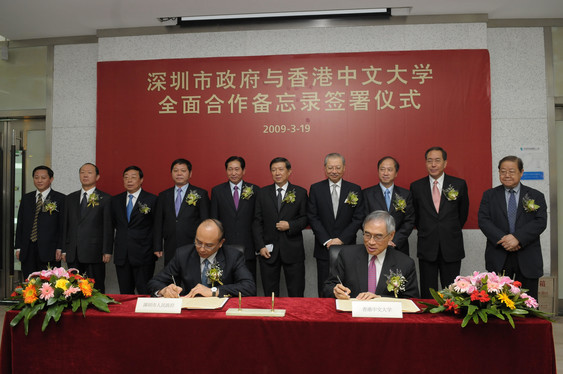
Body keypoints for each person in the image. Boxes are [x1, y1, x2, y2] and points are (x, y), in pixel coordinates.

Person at [478, 156, 547, 299]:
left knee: (528, 303)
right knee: (498, 303)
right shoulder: (489, 195)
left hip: (527, 255)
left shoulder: (535, 195)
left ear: (521, 172)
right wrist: (505, 239)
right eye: (503, 171)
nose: (507, 175)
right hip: (499, 255)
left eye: (511, 171)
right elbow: (483, 220)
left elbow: (540, 222)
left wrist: (517, 238)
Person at [410, 146, 469, 298]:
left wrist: (448, 230)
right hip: (427, 245)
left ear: (445, 163)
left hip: (451, 246)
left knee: (453, 293)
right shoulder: (416, 186)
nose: (433, 164)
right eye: (429, 161)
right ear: (425, 163)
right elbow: (415, 215)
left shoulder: (459, 184)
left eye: (437, 160)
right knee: (427, 292)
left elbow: (462, 214)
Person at [148, 219, 256, 298]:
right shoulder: (183, 254)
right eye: (198, 242)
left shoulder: (233, 256)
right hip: (191, 312)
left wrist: (214, 291)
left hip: (221, 313)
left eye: (209, 245)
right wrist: (163, 290)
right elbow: (155, 282)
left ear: (220, 243)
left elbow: (249, 287)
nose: (202, 249)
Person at [323, 210, 419, 299]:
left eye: (378, 236)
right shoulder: (347, 255)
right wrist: (335, 291)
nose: (371, 242)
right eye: (367, 235)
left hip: (385, 315)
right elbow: (328, 287)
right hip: (352, 314)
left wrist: (380, 299)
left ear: (391, 236)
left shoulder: (405, 263)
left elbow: (411, 300)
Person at [308, 153, 363, 296]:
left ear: (344, 168)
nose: (334, 171)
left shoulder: (354, 189)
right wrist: (327, 240)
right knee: (324, 287)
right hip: (324, 248)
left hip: (348, 247)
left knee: (349, 286)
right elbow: (313, 217)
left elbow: (358, 218)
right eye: (330, 167)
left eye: (338, 167)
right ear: (325, 169)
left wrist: (341, 239)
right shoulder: (316, 189)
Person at [253, 157, 308, 297]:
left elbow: (306, 218)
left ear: (289, 171)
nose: (277, 173)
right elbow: (256, 222)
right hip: (268, 251)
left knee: (296, 293)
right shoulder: (262, 193)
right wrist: (260, 246)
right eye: (273, 170)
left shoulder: (300, 192)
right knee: (270, 294)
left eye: (281, 169)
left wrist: (290, 225)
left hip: (293, 251)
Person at [63, 163, 113, 293]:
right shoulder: (70, 198)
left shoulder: (105, 199)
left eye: (89, 172)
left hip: (95, 251)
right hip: (73, 251)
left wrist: (107, 250)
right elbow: (65, 226)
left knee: (96, 288)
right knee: (72, 288)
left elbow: (108, 226)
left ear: (97, 177)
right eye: (82, 172)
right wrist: (64, 249)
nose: (85, 175)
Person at [211, 156, 260, 280]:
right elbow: (214, 220)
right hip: (224, 246)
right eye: (230, 169)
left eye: (237, 169)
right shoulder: (217, 191)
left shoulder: (255, 190)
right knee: (225, 284)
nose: (233, 173)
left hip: (248, 246)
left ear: (243, 171)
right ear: (226, 171)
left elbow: (257, 219)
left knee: (249, 282)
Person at [111, 166, 157, 294]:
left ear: (141, 180)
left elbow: (157, 226)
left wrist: (157, 247)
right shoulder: (115, 200)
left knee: (145, 292)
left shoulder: (152, 200)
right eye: (126, 178)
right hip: (122, 254)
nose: (129, 180)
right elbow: (113, 225)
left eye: (133, 177)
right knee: (125, 293)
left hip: (144, 253)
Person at [153, 158, 210, 265]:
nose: (179, 173)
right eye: (176, 171)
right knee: (172, 277)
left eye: (183, 171)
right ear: (171, 173)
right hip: (170, 244)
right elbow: (158, 222)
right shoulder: (163, 195)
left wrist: (204, 245)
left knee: (191, 277)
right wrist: (157, 246)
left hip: (193, 244)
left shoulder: (201, 194)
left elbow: (205, 222)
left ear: (190, 174)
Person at [15, 166, 66, 279]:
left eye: (43, 177)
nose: (39, 180)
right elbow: (21, 224)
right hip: (27, 249)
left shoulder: (60, 198)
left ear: (51, 179)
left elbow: (63, 226)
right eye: (36, 177)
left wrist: (60, 248)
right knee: (29, 283)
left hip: (50, 250)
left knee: (48, 286)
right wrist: (18, 247)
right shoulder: (26, 198)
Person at [362, 156, 415, 256]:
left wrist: (393, 240)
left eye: (389, 170)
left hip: (398, 246)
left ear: (396, 173)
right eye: (382, 169)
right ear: (378, 171)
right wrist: (377, 240)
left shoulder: (405, 194)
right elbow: (363, 220)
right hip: (373, 246)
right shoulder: (366, 194)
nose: (385, 173)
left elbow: (409, 221)